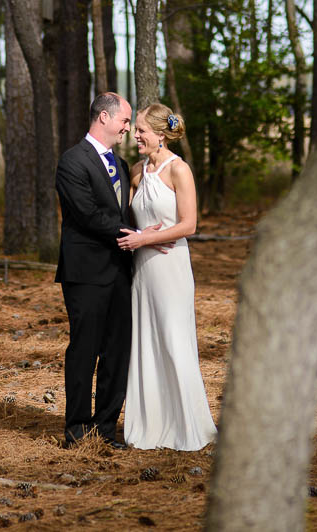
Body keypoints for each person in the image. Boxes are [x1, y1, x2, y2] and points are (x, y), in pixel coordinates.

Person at [117, 103, 217, 451]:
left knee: (174, 341)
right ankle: (151, 424)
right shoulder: (135, 171)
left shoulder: (179, 170)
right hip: (142, 271)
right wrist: (137, 239)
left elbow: (189, 225)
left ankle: (187, 425)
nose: (135, 134)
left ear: (161, 134)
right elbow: (128, 222)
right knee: (146, 343)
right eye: (135, 129)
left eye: (141, 129)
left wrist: (147, 238)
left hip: (171, 268)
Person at [55, 92, 134, 448]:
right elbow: (87, 215)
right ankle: (76, 428)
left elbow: (124, 211)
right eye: (124, 121)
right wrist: (133, 235)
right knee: (84, 350)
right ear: (104, 117)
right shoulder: (73, 161)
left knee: (117, 352)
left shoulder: (122, 164)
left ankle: (105, 428)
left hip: (120, 271)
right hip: (85, 273)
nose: (127, 128)